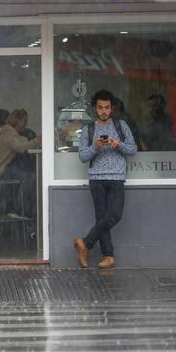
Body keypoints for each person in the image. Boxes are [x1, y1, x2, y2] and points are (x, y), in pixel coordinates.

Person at [75, 89, 137, 269]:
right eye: (100, 107)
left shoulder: (121, 125)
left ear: (112, 109)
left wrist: (119, 145)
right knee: (101, 217)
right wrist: (95, 146)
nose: (103, 111)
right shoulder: (89, 129)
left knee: (115, 215)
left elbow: (133, 150)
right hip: (97, 179)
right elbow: (83, 156)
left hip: (117, 177)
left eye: (107, 107)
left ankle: (85, 243)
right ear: (95, 108)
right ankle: (108, 256)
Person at [0, 109, 41, 219]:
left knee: (28, 173)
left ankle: (17, 207)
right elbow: (20, 148)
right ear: (17, 120)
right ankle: (17, 209)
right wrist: (39, 140)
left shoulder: (9, 131)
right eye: (24, 121)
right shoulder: (8, 133)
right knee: (30, 176)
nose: (26, 124)